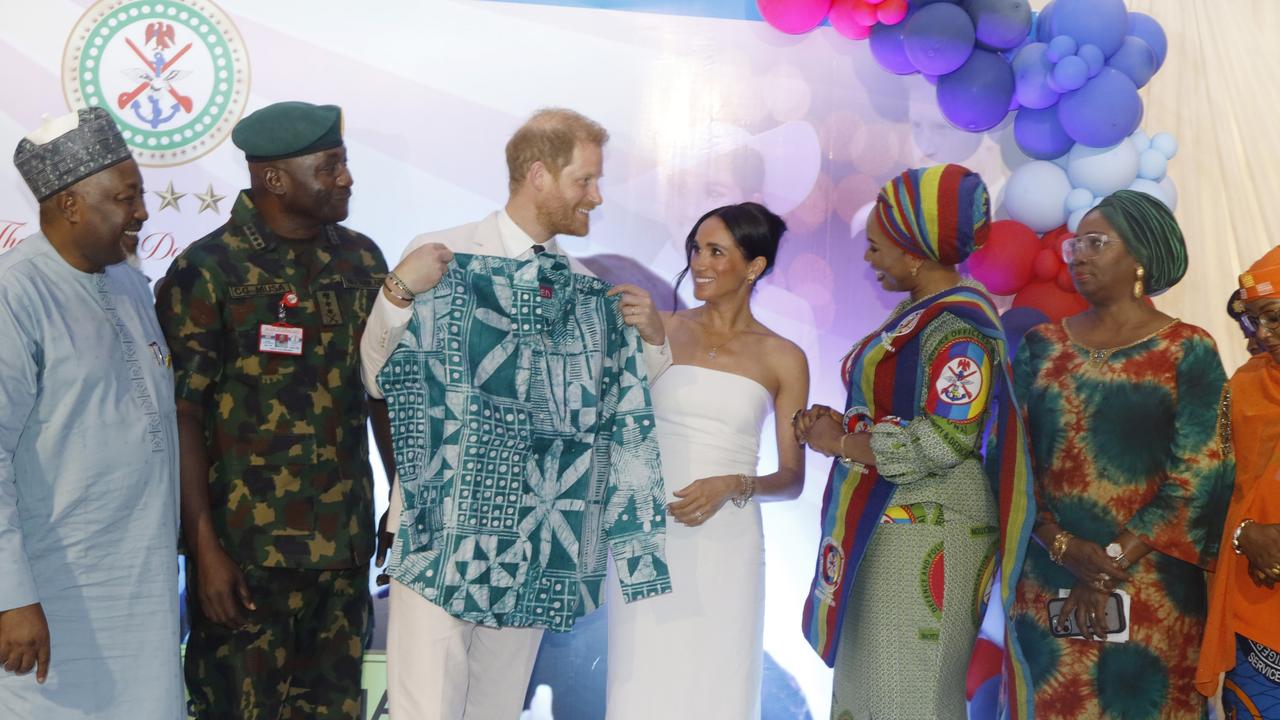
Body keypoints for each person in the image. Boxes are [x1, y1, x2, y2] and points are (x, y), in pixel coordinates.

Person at [360, 107, 675, 720]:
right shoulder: (441, 258)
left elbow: (614, 405)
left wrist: (653, 343)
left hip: (535, 531)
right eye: (585, 181)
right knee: (425, 707)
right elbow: (378, 376)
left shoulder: (582, 285)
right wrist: (398, 290)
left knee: (497, 710)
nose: (597, 195)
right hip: (439, 525)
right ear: (539, 174)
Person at [156, 101, 394, 720]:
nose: (346, 178)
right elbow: (181, 415)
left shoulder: (362, 261)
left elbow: (381, 391)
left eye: (344, 164)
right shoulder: (207, 273)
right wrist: (202, 547)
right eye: (331, 166)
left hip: (342, 551)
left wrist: (403, 494)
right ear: (276, 180)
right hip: (244, 559)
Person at [795, 163, 1035, 720]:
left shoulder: (961, 327)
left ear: (915, 252)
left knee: (907, 697)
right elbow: (905, 415)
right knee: (872, 694)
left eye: (877, 247)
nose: (868, 259)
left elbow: (947, 436)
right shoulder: (920, 313)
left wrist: (843, 444)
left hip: (931, 531)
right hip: (896, 524)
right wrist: (850, 424)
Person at [1010, 190, 1233, 718]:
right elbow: (1012, 464)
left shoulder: (1188, 349)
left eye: (1096, 242)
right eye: (1074, 244)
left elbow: (1203, 472)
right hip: (1048, 581)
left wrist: (1107, 563)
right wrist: (1063, 549)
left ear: (1140, 256)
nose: (1079, 255)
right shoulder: (1041, 346)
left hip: (1152, 586)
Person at [0, 107, 181, 717]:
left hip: (140, 585)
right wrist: (11, 597)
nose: (141, 213)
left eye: (140, 195)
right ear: (71, 204)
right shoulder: (15, 293)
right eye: (125, 198)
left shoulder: (128, 283)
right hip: (51, 596)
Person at [605, 202, 808, 719]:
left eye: (716, 251)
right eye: (695, 248)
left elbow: (791, 479)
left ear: (754, 266)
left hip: (728, 543)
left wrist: (733, 484)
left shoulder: (783, 356)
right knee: (639, 688)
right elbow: (613, 418)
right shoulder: (660, 327)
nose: (699, 261)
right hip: (646, 533)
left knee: (718, 688)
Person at [1198, 246, 1280, 718]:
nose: (1261, 335)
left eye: (1272, 317)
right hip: (1260, 616)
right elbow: (1206, 491)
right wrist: (1244, 534)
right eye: (1253, 322)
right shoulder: (1242, 390)